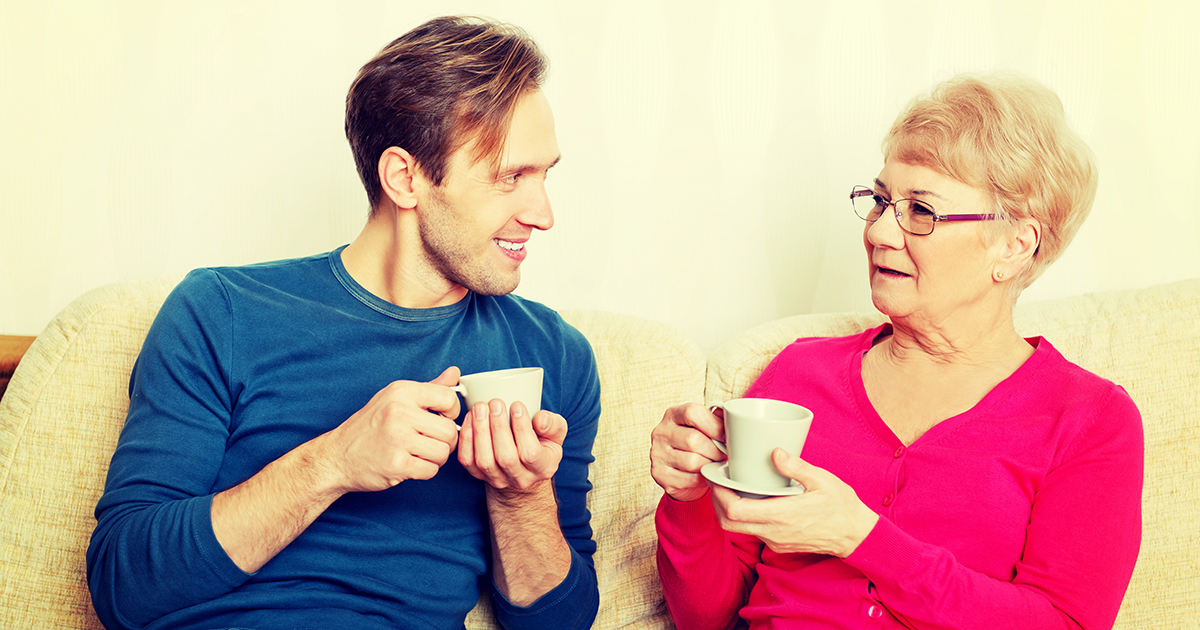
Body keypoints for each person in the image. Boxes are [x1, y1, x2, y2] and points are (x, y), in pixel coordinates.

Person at [87, 16, 600, 630]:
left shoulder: (554, 354)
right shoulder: (222, 311)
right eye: (510, 177)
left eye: (544, 175)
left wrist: (521, 496)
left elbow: (561, 624)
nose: (543, 214)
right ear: (405, 178)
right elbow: (122, 588)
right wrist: (332, 464)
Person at [650, 73, 1142, 630]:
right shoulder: (801, 374)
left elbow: (1064, 622)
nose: (880, 233)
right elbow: (706, 617)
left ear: (1013, 245)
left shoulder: (1090, 419)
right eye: (881, 201)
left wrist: (861, 538)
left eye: (921, 211)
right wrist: (688, 500)